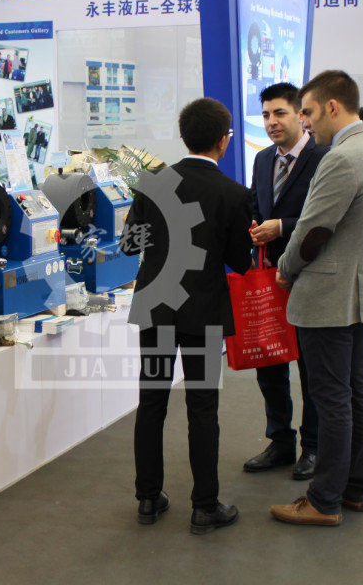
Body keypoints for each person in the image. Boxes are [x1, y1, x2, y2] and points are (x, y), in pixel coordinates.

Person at [269, 70, 363, 527]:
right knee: (357, 390)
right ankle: (354, 489)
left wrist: (285, 271)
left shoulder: (341, 158)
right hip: (360, 291)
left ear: (333, 107)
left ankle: (324, 500)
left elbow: (313, 230)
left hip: (330, 296)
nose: (304, 121)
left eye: (307, 112)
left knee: (332, 398)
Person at [122, 97, 253, 535]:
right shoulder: (234, 194)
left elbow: (130, 244)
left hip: (157, 306)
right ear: (223, 141)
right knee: (202, 407)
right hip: (204, 310)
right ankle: (205, 505)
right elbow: (241, 261)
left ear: (184, 137)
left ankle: (147, 498)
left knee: (151, 401)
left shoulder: (152, 184)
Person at [244, 83, 328, 480]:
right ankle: (280, 441)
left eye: (279, 113)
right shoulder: (263, 160)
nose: (271, 122)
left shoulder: (323, 158)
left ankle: (313, 446)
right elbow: (256, 204)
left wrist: (283, 227)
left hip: (310, 276)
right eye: (266, 115)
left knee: (312, 369)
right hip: (268, 280)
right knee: (270, 364)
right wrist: (253, 225)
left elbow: (327, 219)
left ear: (300, 115)